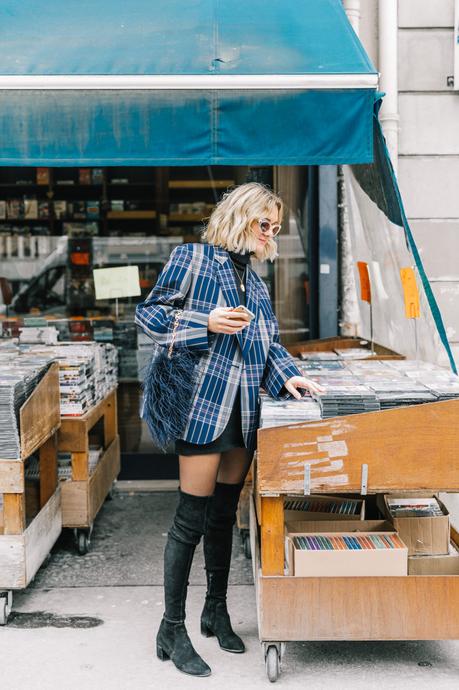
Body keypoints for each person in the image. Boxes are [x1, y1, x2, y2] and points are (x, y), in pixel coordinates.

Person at [135, 182, 324, 677]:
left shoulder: (257, 284)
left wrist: (291, 376)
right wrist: (206, 322)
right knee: (189, 519)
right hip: (203, 407)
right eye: (265, 224)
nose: (271, 234)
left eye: (276, 228)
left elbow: (270, 347)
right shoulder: (193, 259)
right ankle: (170, 627)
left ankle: (214, 610)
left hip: (244, 414)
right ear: (240, 217)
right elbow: (150, 315)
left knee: (223, 517)